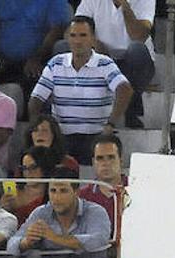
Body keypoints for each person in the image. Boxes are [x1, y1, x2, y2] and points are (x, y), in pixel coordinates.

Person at [29, 17, 133, 165]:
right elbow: (36, 99)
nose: (77, 41)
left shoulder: (104, 63)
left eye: (83, 35)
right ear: (67, 38)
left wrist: (111, 124)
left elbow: (125, 89)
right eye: (73, 35)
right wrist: (36, 127)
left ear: (93, 39)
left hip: (95, 135)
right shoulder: (56, 63)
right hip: (62, 136)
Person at [8, 172, 113, 258]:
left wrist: (54, 237)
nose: (57, 197)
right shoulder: (41, 213)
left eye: (63, 191)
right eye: (53, 191)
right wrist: (26, 242)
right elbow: (11, 245)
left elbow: (98, 241)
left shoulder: (96, 212)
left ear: (76, 192)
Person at [69, 0, 156, 129]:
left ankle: (130, 111)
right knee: (64, 46)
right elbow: (72, 30)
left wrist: (125, 6)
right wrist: (93, 43)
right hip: (102, 57)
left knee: (137, 49)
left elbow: (139, 36)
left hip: (133, 62)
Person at [0, 0, 72, 103]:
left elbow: (57, 29)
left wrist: (36, 58)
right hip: (2, 61)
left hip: (38, 61)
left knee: (32, 89)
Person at [78, 132, 126, 233]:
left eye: (111, 157)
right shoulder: (82, 197)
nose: (105, 163)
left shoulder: (136, 191)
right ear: (93, 162)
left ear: (121, 161)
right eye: (100, 158)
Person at [2, 144, 57, 226]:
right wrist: (5, 209)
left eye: (33, 167)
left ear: (45, 167)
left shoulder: (55, 192)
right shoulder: (13, 191)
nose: (28, 172)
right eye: (24, 168)